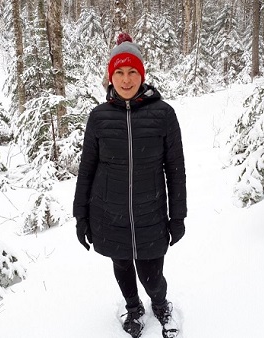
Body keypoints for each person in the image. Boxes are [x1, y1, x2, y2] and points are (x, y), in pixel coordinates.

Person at [73, 33, 187, 338]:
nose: (126, 80)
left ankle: (161, 305)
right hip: (108, 215)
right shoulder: (98, 118)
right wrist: (80, 215)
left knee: (152, 274)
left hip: (150, 213)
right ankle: (133, 308)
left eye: (132, 71)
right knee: (122, 266)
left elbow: (175, 170)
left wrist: (178, 217)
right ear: (111, 77)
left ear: (142, 74)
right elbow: (87, 169)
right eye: (119, 73)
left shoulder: (163, 114)